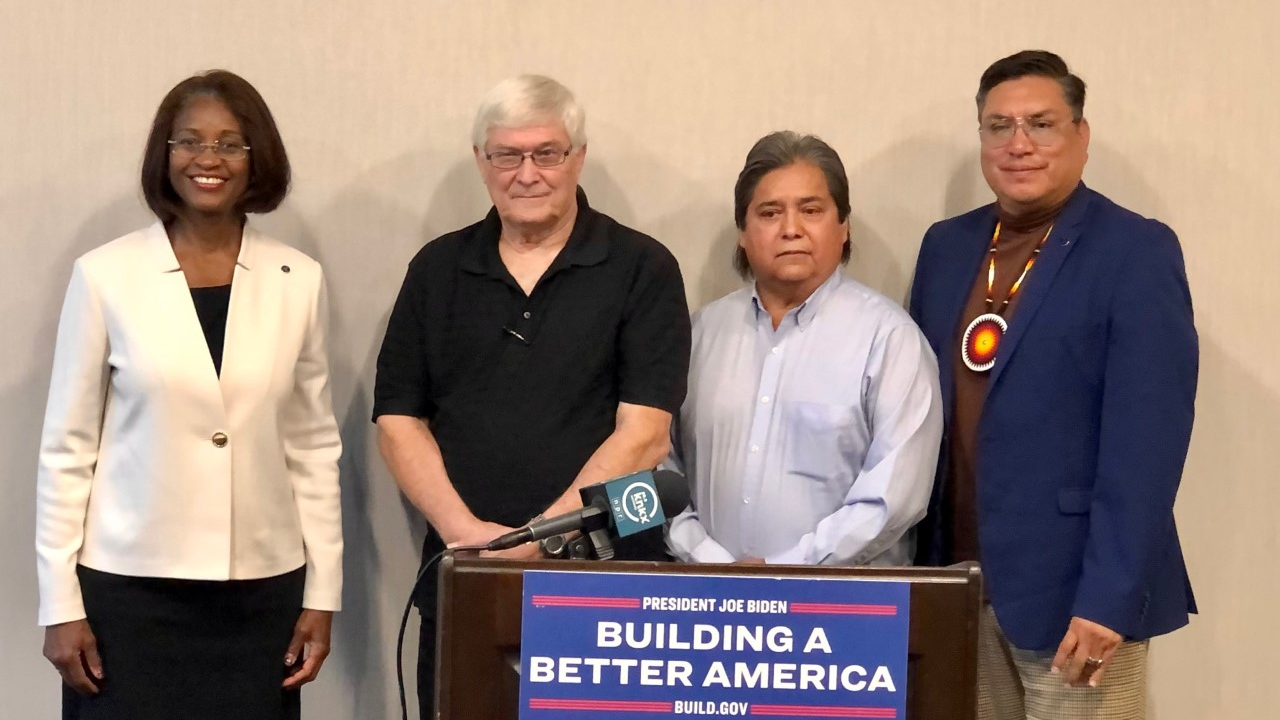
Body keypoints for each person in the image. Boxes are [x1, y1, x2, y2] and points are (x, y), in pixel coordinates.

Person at [372, 74, 691, 717]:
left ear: (578, 158)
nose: (527, 173)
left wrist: (535, 540)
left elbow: (646, 434)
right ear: (481, 163)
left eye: (547, 153)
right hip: (465, 576)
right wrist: (472, 540)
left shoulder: (643, 267)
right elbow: (397, 419)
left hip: (610, 582)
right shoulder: (437, 270)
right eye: (507, 155)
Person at [35, 70, 343, 720]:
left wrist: (323, 593)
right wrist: (60, 603)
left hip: (261, 597)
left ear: (258, 158)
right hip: (128, 598)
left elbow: (314, 448)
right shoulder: (105, 276)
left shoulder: (298, 280)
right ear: (164, 154)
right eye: (190, 141)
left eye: (232, 143)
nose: (209, 158)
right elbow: (67, 451)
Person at [909, 50, 1197, 719]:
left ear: (1081, 135)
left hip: (1075, 598)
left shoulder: (1135, 251)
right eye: (998, 126)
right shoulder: (946, 247)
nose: (1019, 144)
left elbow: (1147, 447)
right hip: (958, 584)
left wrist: (1108, 600)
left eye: (1041, 124)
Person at [666, 131, 942, 567]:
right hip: (709, 603)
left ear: (843, 225)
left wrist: (785, 573)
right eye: (770, 212)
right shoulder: (699, 334)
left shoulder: (889, 339)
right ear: (743, 232)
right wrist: (707, 559)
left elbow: (895, 498)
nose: (791, 229)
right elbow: (662, 471)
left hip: (843, 610)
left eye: (811, 210)